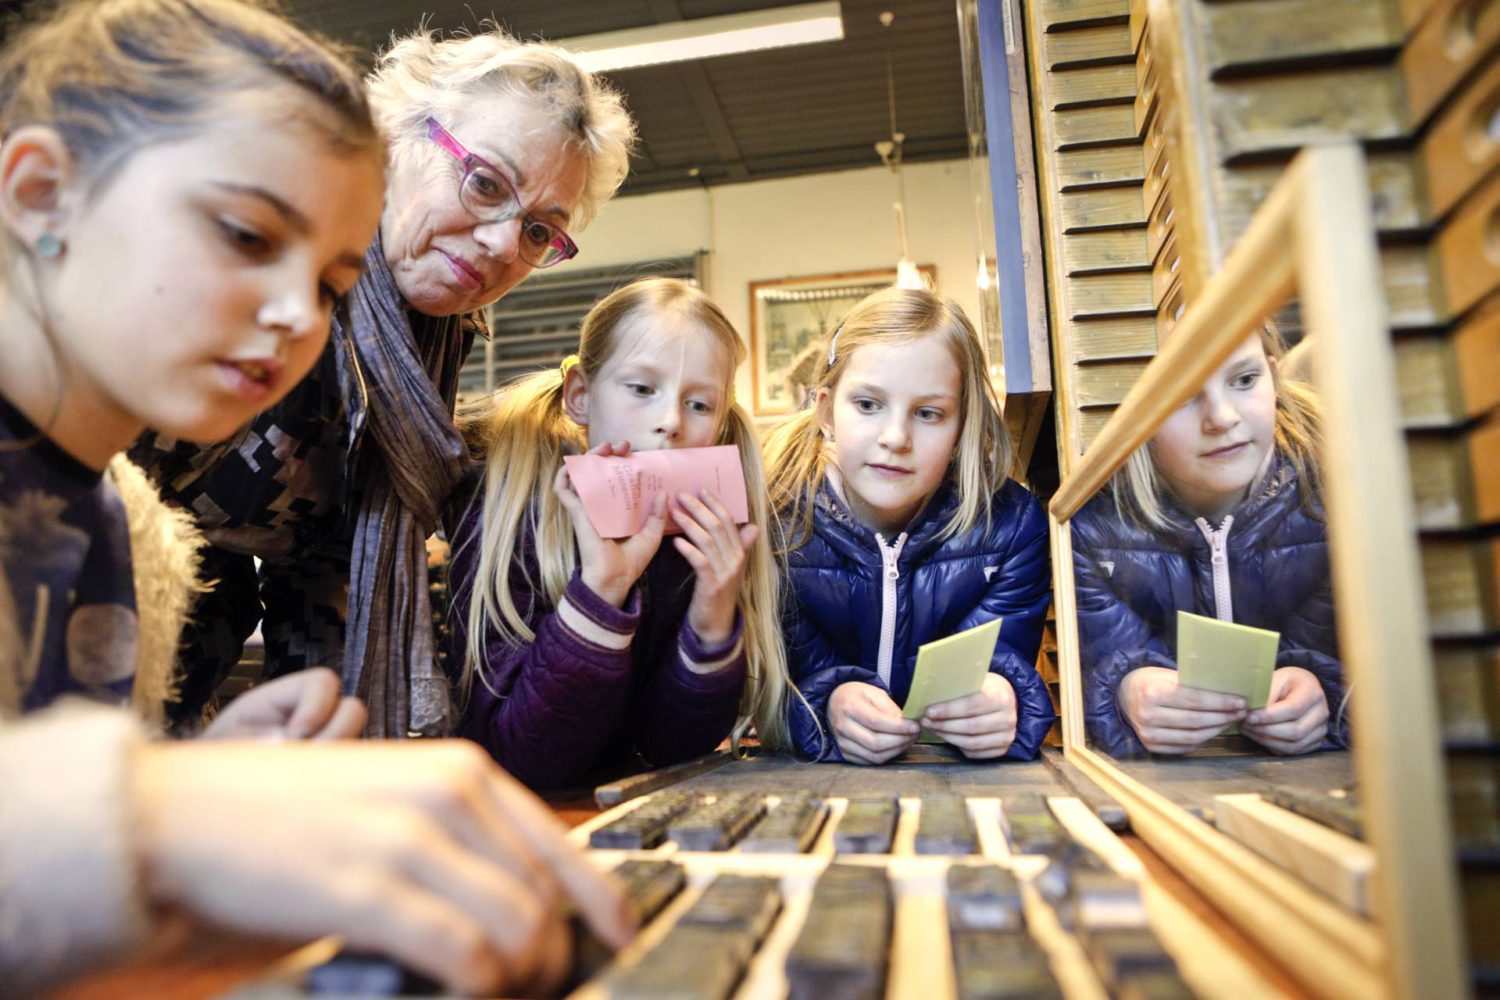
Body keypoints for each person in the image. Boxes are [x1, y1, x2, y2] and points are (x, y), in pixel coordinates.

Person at [0, 2, 628, 995]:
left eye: (335, 283)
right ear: (40, 195)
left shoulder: (108, 514)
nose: (297, 317)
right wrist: (162, 810)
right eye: (247, 234)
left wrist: (204, 778)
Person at [132, 24, 638, 737]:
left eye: (536, 232)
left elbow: (334, 556)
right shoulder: (253, 250)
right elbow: (90, 478)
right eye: (486, 183)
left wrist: (327, 741)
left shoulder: (431, 341)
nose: (501, 243)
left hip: (205, 632)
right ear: (394, 137)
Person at [447, 277, 792, 789]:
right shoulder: (506, 512)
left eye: (699, 405)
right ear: (581, 397)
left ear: (719, 426)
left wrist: (712, 620)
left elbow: (670, 750)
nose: (670, 421)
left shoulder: (699, 542)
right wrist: (600, 595)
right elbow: (522, 761)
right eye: (641, 389)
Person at [762, 287, 1054, 765]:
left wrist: (1002, 696)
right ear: (825, 411)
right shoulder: (775, 521)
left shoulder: (1011, 529)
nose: (895, 438)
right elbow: (769, 686)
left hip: (949, 787)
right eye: (868, 405)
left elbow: (1001, 659)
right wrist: (825, 702)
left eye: (927, 413)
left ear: (962, 427)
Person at [1069, 326, 1349, 757]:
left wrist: (1329, 695)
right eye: (1180, 393)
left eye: (1244, 380)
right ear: (1129, 411)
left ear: (1273, 377)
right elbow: (1090, 676)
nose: (1222, 417)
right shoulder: (1091, 528)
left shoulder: (1338, 493)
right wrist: (1127, 692)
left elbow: (1406, 680)